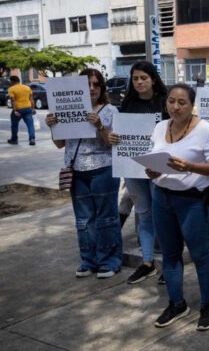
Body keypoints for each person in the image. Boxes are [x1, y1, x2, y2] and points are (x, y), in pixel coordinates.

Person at [146, 84, 209, 331]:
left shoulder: (206, 131)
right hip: (162, 198)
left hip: (192, 200)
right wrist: (152, 171)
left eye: (182, 103)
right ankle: (176, 303)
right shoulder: (160, 127)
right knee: (169, 254)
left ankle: (208, 305)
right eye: (171, 101)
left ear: (192, 105)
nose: (175, 107)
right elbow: (153, 159)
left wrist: (190, 167)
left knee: (201, 255)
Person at [45, 68, 122, 278]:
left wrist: (99, 126)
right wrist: (53, 126)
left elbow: (111, 143)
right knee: (83, 219)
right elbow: (60, 144)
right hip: (77, 171)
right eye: (87, 84)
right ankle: (88, 261)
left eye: (96, 84)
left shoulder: (110, 111)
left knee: (106, 218)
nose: (92, 88)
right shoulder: (65, 109)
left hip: (103, 169)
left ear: (102, 87)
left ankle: (110, 261)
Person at [108, 61, 169, 285]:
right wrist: (113, 137)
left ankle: (169, 263)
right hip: (132, 166)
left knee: (162, 212)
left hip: (157, 166)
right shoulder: (126, 105)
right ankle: (147, 262)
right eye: (135, 78)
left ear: (153, 79)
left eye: (144, 77)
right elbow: (118, 134)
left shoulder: (166, 103)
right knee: (143, 213)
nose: (140, 82)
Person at [7, 75, 36, 146]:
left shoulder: (11, 89)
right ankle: (32, 139)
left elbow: (13, 101)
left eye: (11, 81)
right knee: (30, 125)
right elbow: (31, 99)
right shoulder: (27, 88)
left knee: (14, 125)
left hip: (18, 109)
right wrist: (33, 109)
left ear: (12, 81)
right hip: (28, 108)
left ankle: (14, 139)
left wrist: (15, 111)